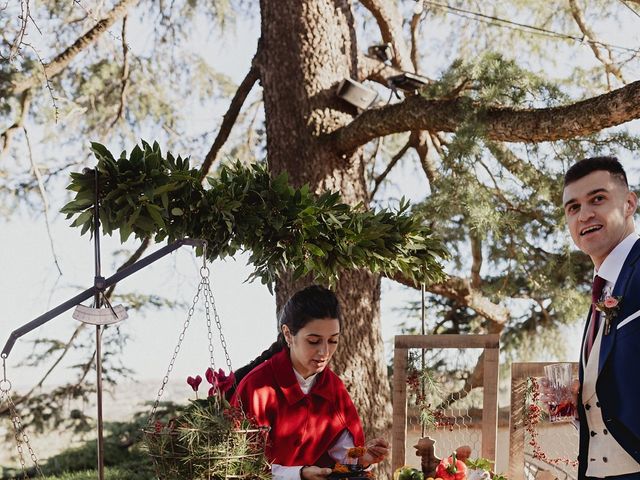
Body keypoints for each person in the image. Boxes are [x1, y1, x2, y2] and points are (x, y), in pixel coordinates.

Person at [231, 285, 390, 480]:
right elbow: (239, 466)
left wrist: (362, 457)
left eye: (333, 341)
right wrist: (298, 475)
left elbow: (341, 454)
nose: (324, 352)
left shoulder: (333, 388)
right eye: (314, 341)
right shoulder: (257, 389)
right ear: (288, 335)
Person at [562, 156, 640, 479]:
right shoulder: (602, 291)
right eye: (573, 207)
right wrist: (587, 396)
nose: (585, 214)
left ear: (629, 204)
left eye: (597, 199)